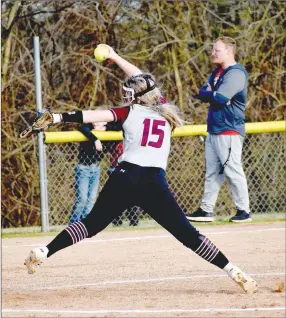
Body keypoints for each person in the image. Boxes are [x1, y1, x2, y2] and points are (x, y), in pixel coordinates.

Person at [24, 44, 257, 294]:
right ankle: (232, 269)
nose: (126, 95)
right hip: (154, 182)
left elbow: (90, 116)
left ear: (136, 97)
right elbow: (144, 80)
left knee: (90, 225)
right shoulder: (167, 113)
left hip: (125, 177)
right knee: (187, 234)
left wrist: (57, 118)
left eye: (128, 92)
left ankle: (44, 251)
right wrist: (115, 56)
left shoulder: (129, 111)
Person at [186, 36, 252, 223]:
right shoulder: (217, 72)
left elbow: (220, 99)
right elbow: (203, 93)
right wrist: (210, 94)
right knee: (212, 172)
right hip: (214, 129)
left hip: (229, 130)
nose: (212, 53)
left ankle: (244, 211)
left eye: (217, 50)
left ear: (229, 51)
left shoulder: (236, 73)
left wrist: (213, 95)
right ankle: (206, 209)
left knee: (232, 170)